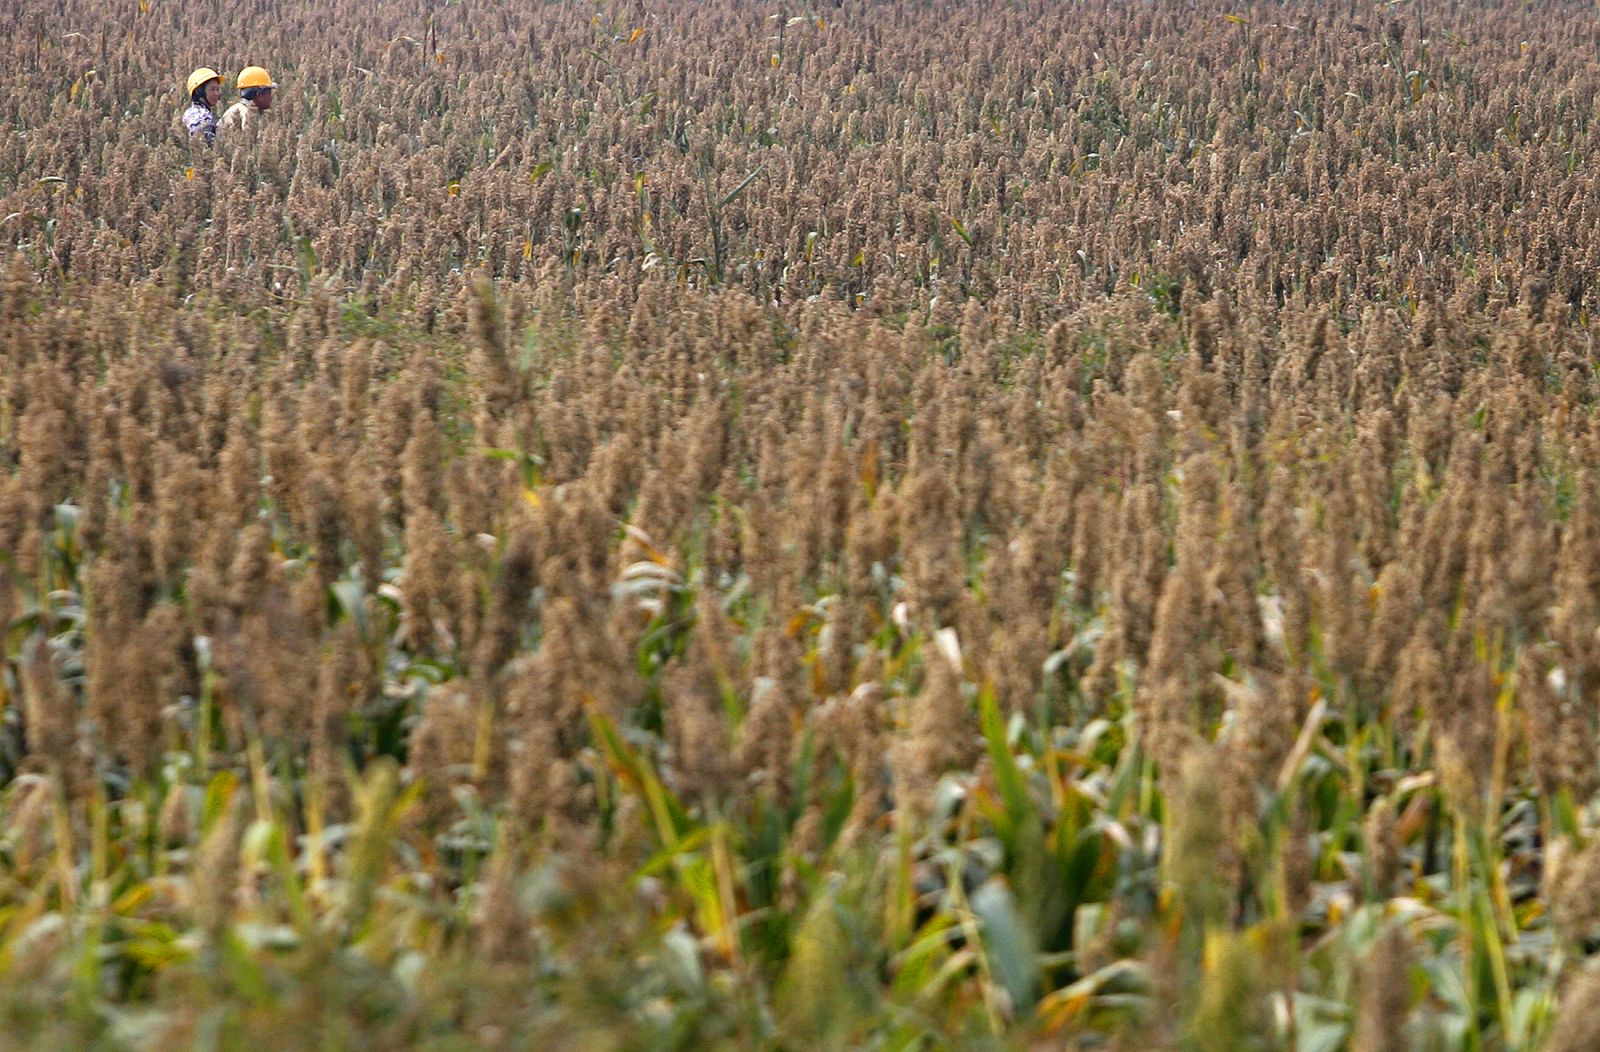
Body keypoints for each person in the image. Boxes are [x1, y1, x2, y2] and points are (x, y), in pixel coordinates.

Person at [220, 66, 277, 133]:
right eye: (269, 93)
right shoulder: (246, 116)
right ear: (259, 95)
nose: (271, 98)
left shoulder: (244, 110)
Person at [181, 67, 222, 144]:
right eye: (212, 89)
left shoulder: (189, 112)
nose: (216, 93)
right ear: (199, 92)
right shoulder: (203, 117)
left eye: (217, 89)